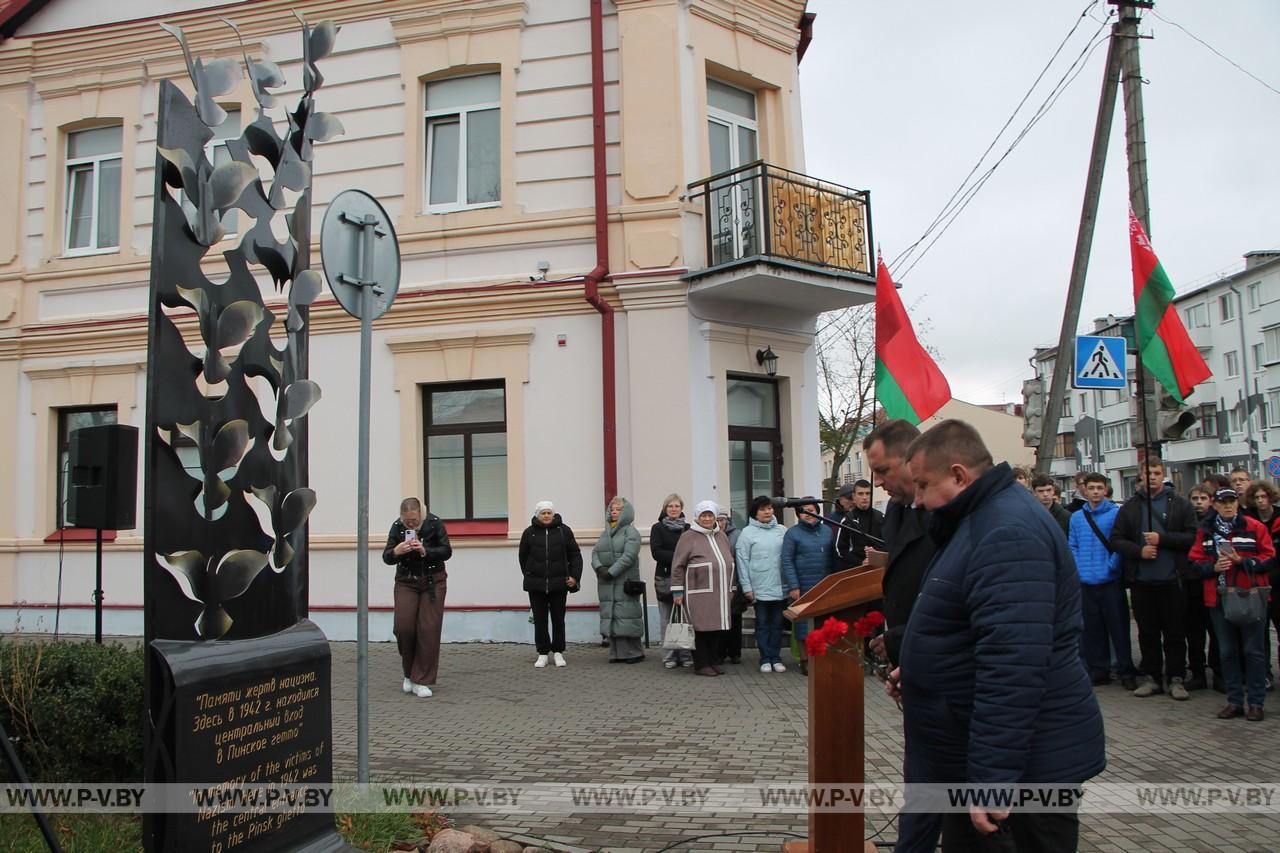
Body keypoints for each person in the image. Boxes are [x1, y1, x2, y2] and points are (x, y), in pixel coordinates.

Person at [891, 420, 1105, 850]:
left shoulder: (1007, 531)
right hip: (988, 751)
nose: (918, 500)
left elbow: (1013, 663)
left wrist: (992, 776)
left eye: (923, 485)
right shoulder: (980, 519)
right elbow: (970, 623)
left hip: (1028, 766)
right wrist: (918, 667)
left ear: (958, 474)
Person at [863, 419, 941, 853]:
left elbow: (951, 595)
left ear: (914, 459)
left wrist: (907, 641)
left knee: (936, 776)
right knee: (922, 774)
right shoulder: (895, 509)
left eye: (885, 471)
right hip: (909, 653)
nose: (879, 482)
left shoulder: (945, 513)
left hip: (939, 655)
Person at [1110, 457, 1198, 700]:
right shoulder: (1129, 507)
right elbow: (1116, 540)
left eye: (1157, 472)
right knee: (1147, 633)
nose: (1152, 477)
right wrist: (1139, 551)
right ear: (1141, 475)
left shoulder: (1180, 505)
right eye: (1148, 473)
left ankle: (1176, 677)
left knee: (1175, 633)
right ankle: (1152, 677)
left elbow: (1192, 536)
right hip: (1142, 581)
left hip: (1173, 580)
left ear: (1164, 475)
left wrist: (1163, 539)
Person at [1187, 488, 1276, 721]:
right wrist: (1212, 568)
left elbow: (1270, 558)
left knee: (1253, 651)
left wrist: (1243, 561)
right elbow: (1194, 562)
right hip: (1218, 597)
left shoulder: (1254, 526)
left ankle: (1256, 703)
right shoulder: (1206, 531)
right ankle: (1234, 701)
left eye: (1232, 501)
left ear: (1238, 503)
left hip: (1249, 596)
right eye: (1223, 502)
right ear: (1214, 505)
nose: (1228, 506)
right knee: (1227, 652)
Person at [1068, 472, 1139, 690]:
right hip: (1087, 582)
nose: (1096, 492)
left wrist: (1111, 567)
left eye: (1100, 488)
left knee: (1118, 628)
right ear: (1085, 490)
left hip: (1110, 581)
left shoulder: (1116, 514)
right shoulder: (1077, 517)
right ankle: (1099, 670)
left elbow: (1120, 543)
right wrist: (1080, 570)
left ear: (1106, 489)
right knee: (1092, 630)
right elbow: (1073, 545)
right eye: (1092, 488)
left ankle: (1126, 670)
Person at [382, 497, 452, 698]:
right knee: (403, 627)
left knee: (427, 629)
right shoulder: (397, 527)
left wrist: (425, 550)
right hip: (406, 581)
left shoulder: (434, 523)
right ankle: (409, 673)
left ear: (421, 514)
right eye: (407, 521)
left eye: (413, 520)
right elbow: (386, 556)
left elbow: (446, 551)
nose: (410, 524)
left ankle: (421, 680)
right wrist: (396, 551)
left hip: (433, 581)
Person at [671, 500, 737, 676]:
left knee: (716, 628)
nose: (707, 519)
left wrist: (733, 586)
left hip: (721, 591)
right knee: (700, 628)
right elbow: (677, 565)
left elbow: (728, 560)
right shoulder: (688, 537)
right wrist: (677, 591)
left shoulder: (721, 535)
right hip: (698, 592)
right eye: (703, 515)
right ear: (697, 517)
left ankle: (713, 661)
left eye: (710, 515)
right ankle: (701, 664)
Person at [518, 500, 583, 668]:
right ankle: (542, 653)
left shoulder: (564, 531)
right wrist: (529, 574)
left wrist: (575, 576)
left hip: (559, 584)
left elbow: (575, 554)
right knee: (540, 620)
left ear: (553, 514)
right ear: (537, 515)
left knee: (558, 619)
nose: (546, 516)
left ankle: (559, 652)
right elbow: (523, 557)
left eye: (549, 513)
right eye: (543, 513)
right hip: (536, 585)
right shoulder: (529, 533)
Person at [781, 498, 834, 676]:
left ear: (817, 511)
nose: (808, 514)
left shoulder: (827, 530)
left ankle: (823, 658)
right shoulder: (792, 534)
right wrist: (793, 586)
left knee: (823, 623)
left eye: (811, 510)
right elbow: (787, 560)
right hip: (803, 585)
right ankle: (806, 660)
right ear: (798, 515)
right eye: (804, 511)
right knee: (804, 625)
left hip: (825, 583)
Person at [735, 495, 788, 673]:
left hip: (780, 587)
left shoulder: (781, 530)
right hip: (759, 588)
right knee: (763, 624)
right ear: (755, 512)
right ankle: (765, 658)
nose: (767, 512)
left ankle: (776, 657)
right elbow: (742, 562)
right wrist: (747, 588)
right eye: (763, 509)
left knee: (777, 624)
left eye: (770, 508)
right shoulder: (747, 533)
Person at [593, 496, 644, 663]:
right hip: (607, 583)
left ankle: (633, 653)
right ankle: (616, 653)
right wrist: (599, 568)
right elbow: (595, 552)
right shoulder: (605, 533)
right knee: (613, 617)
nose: (614, 512)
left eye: (618, 509)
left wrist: (612, 572)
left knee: (626, 615)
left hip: (624, 581)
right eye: (612, 509)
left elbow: (629, 556)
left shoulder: (631, 532)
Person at [1244, 481, 1280, 692]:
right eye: (1256, 497)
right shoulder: (1249, 520)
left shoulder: (1278, 519)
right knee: (1260, 632)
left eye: (1263, 496)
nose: (1260, 501)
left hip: (1277, 583)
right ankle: (1264, 673)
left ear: (1270, 497)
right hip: (1257, 584)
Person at [651, 493, 693, 669]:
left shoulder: (690, 528)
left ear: (682, 508)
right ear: (665, 509)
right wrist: (680, 557)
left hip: (687, 579)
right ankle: (669, 656)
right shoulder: (658, 528)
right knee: (666, 619)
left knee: (685, 618)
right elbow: (656, 552)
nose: (674, 509)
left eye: (677, 506)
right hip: (665, 578)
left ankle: (685, 653)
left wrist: (680, 558)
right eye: (670, 506)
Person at [1186, 485, 1220, 691]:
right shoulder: (1187, 521)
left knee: (1216, 632)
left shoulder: (1217, 523)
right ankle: (1197, 672)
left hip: (1212, 584)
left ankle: (1218, 673)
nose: (1199, 502)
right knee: (1193, 633)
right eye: (1195, 498)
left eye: (1203, 498)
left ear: (1211, 501)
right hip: (1191, 584)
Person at [829, 480, 884, 571]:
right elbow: (840, 549)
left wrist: (876, 553)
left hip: (878, 569)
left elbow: (889, 543)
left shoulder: (880, 517)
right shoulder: (847, 520)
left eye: (868, 493)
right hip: (856, 570)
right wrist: (859, 563)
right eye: (860, 494)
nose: (864, 497)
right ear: (854, 497)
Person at [715, 506, 745, 664]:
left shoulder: (737, 534)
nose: (720, 523)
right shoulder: (710, 535)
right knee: (720, 619)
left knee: (735, 617)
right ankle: (720, 652)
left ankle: (735, 652)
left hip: (735, 581)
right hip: (718, 583)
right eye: (717, 520)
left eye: (722, 520)